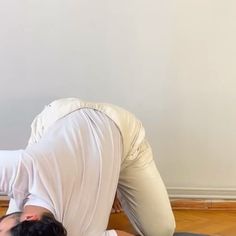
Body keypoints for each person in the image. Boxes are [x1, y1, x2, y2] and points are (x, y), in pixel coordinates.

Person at [0, 98, 175, 236]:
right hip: (104, 132)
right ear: (31, 218)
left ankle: (110, 178)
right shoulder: (81, 233)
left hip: (90, 125)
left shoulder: (26, 168)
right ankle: (108, 176)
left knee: (17, 207)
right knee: (162, 231)